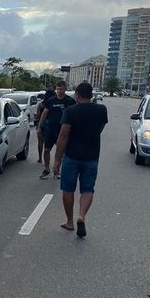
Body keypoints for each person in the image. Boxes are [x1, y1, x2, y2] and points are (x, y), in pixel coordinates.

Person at [54, 82, 108, 238]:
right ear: (91, 95)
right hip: (91, 156)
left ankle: (70, 222)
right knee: (87, 189)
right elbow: (100, 129)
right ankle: (82, 216)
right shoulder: (101, 110)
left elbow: (63, 136)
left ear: (77, 94)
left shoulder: (70, 111)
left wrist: (57, 160)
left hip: (72, 156)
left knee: (68, 189)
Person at [37, 80, 75, 178]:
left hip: (63, 130)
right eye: (57, 89)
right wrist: (39, 127)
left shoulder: (70, 101)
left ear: (65, 89)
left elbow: (74, 115)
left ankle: (57, 170)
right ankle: (46, 169)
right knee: (46, 150)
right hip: (50, 129)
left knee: (61, 151)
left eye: (61, 89)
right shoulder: (51, 100)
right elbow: (44, 113)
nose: (59, 91)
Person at [35, 89, 54, 163]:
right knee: (48, 143)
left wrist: (38, 125)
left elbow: (38, 115)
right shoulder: (53, 104)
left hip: (41, 124)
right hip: (50, 125)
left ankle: (40, 158)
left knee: (40, 142)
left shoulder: (41, 104)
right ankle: (47, 157)